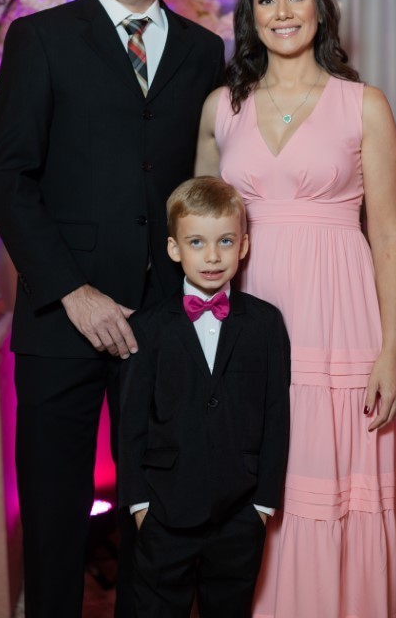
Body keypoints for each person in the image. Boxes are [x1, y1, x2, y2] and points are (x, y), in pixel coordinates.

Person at [0, 0, 225, 618]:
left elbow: (203, 185)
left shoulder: (204, 52)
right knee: (54, 517)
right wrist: (71, 290)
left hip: (163, 320)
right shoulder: (40, 39)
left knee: (157, 519)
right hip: (62, 318)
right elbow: (7, 177)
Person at [196, 0, 396, 618]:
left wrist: (390, 349)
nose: (282, 12)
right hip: (249, 314)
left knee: (338, 478)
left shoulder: (363, 104)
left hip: (340, 318)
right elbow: (198, 228)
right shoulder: (221, 108)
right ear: (250, 15)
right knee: (260, 476)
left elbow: (388, 234)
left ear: (321, 7)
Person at [118, 176, 290, 618]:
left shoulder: (267, 325)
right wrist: (140, 505)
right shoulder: (147, 327)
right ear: (174, 248)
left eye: (225, 241)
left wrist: (262, 504)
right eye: (197, 242)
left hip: (239, 514)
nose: (212, 256)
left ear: (243, 245)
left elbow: (276, 417)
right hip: (164, 512)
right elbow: (131, 423)